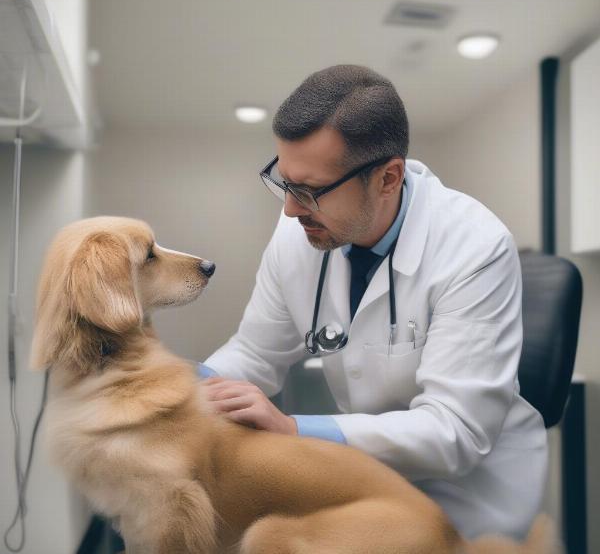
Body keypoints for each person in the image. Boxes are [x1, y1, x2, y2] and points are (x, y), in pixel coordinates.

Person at [198, 64, 547, 541]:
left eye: (309, 191)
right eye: (284, 182)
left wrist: (292, 429)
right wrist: (185, 391)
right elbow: (257, 352)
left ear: (388, 178)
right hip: (363, 485)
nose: (289, 209)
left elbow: (455, 431)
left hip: (467, 497)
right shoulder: (298, 232)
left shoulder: (475, 247)